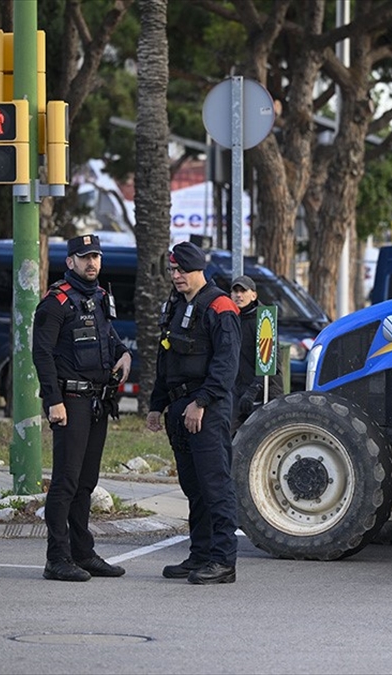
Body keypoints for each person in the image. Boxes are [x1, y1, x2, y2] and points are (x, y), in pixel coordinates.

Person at [32, 234, 132, 582]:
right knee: (66, 482)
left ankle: (83, 553)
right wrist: (52, 400)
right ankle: (57, 558)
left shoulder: (100, 297)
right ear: (70, 261)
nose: (92, 263)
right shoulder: (55, 302)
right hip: (70, 402)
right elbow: (41, 354)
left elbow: (109, 337)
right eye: (84, 257)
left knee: (87, 482)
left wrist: (124, 353)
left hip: (97, 401)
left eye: (96, 257)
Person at [146, 242, 242, 585]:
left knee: (215, 485)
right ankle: (200, 554)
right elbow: (165, 359)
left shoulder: (219, 306)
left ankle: (223, 560)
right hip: (178, 408)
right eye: (172, 270)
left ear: (198, 270)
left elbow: (225, 365)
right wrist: (157, 405)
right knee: (193, 487)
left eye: (182, 270)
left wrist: (201, 402)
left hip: (206, 410)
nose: (176, 276)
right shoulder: (174, 306)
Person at [229, 275, 283, 435]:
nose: (239, 295)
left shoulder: (264, 319)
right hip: (237, 392)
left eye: (243, 291)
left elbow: (270, 362)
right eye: (235, 291)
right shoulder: (230, 319)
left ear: (254, 295)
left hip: (264, 391)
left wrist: (253, 390)